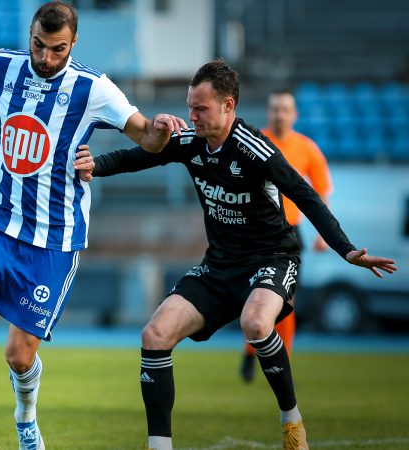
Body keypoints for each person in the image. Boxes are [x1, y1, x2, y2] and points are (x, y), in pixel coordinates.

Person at [0, 2, 186, 448]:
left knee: (18, 355)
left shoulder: (93, 88)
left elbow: (144, 135)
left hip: (52, 241)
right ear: (30, 34)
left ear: (74, 43)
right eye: (39, 46)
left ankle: (26, 419)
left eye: (57, 50)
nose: (45, 58)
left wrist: (161, 130)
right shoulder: (3, 65)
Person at [77, 60, 397, 450]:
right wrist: (97, 164)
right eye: (189, 107)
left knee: (256, 324)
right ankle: (159, 445)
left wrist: (345, 249)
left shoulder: (254, 147)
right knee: (154, 334)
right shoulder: (189, 139)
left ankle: (291, 419)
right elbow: (139, 157)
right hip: (218, 266)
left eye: (201, 109)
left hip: (272, 258)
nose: (191, 116)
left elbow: (305, 194)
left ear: (228, 106)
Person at [239, 89, 333, 383]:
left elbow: (321, 193)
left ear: (294, 115)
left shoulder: (307, 149)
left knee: (286, 301)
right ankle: (250, 351)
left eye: (284, 109)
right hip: (254, 232)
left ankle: (284, 359)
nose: (279, 114)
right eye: (274, 109)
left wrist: (323, 234)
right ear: (268, 112)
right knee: (255, 297)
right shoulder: (254, 142)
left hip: (289, 235)